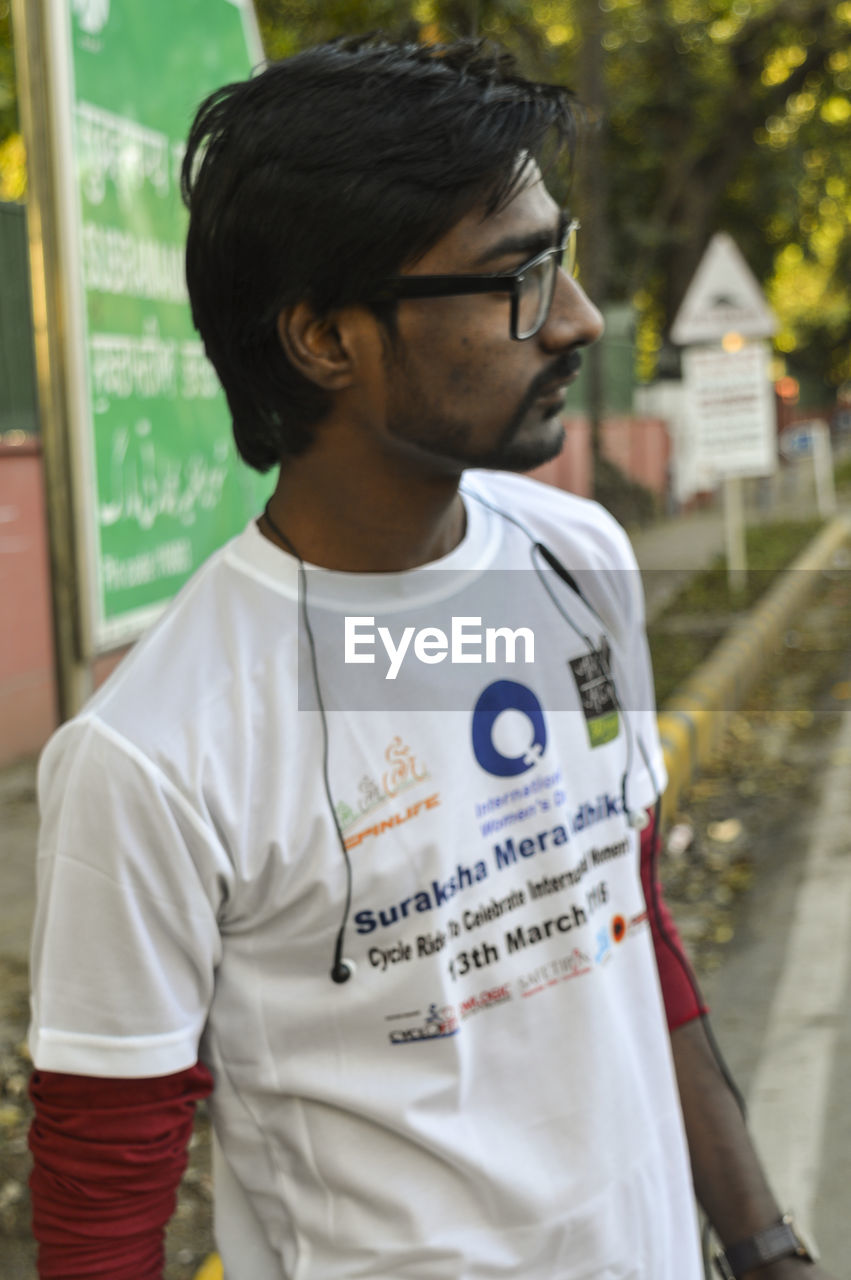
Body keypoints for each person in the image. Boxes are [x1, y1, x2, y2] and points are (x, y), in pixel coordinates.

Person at [27, 35, 833, 1280]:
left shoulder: (576, 557)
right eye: (514, 279)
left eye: (557, 259)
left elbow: (628, 921)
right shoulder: (153, 754)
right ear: (323, 339)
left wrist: (761, 1239)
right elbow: (104, 1189)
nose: (573, 319)